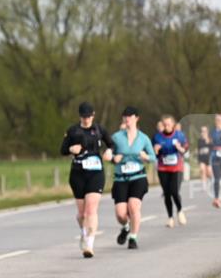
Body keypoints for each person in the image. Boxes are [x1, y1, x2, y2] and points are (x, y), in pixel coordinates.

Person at [60, 102, 113, 258]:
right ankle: (84, 232)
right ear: (80, 116)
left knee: (91, 210)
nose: (87, 119)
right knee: (82, 214)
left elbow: (111, 144)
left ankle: (89, 244)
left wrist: (109, 151)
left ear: (93, 115)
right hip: (78, 174)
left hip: (96, 173)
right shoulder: (72, 131)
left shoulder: (99, 129)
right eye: (84, 117)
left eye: (89, 116)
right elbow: (62, 150)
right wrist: (70, 149)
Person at [110, 107, 155, 250]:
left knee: (133, 206)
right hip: (120, 179)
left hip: (138, 177)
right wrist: (112, 158)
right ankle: (125, 226)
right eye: (125, 116)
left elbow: (153, 158)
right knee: (121, 214)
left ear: (137, 118)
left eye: (130, 116)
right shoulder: (116, 137)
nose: (127, 118)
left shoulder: (144, 138)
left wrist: (146, 157)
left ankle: (133, 238)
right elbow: (108, 154)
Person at [153, 115, 188, 227]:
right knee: (167, 193)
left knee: (174, 191)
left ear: (173, 124)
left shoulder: (179, 135)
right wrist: (156, 150)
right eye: (164, 124)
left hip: (176, 168)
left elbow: (185, 149)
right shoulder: (157, 137)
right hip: (163, 168)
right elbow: (153, 153)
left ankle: (180, 210)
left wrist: (180, 148)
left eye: (169, 124)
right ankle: (170, 218)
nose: (167, 126)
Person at [197, 126, 213, 193]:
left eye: (205, 131)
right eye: (202, 131)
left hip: (209, 158)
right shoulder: (199, 140)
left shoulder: (210, 139)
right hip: (202, 158)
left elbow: (212, 148)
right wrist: (198, 158)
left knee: (209, 172)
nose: (203, 132)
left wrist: (208, 141)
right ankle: (204, 186)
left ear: (207, 131)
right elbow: (198, 149)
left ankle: (212, 180)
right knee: (202, 170)